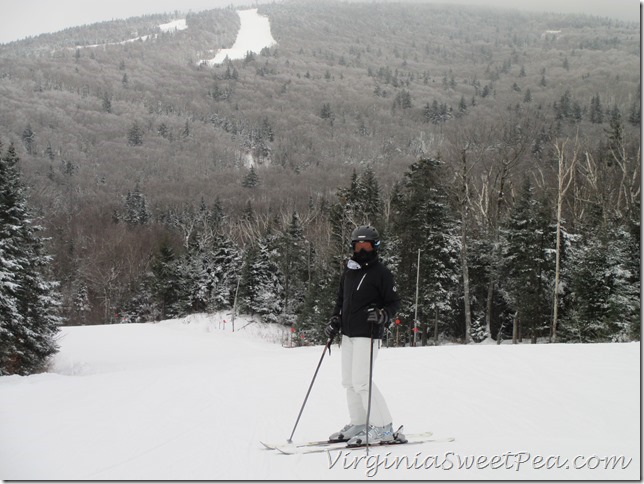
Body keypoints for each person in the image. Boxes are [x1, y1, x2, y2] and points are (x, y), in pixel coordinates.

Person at [324, 225, 401, 445]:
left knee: (362, 382)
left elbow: (394, 303)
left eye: (366, 244)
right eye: (358, 244)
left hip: (367, 334)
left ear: (375, 246)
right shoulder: (349, 271)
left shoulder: (382, 273)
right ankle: (359, 422)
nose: (362, 248)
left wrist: (383, 314)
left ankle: (383, 428)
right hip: (348, 334)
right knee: (349, 382)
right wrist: (335, 320)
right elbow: (341, 301)